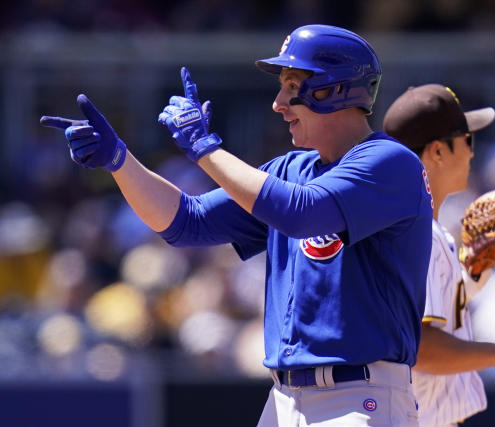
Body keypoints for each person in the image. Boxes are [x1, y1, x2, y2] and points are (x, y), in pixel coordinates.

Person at [41, 24, 433, 426]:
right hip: (283, 399)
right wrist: (120, 162)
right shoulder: (289, 169)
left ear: (334, 89)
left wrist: (205, 148)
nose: (279, 103)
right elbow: (185, 223)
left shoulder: (390, 161)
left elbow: (302, 213)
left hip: (359, 396)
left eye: (292, 84)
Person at [383, 84, 495, 427]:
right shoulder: (418, 233)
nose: (472, 153)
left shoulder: (407, 226)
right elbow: (421, 347)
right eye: (467, 141)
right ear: (437, 152)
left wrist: (470, 275)